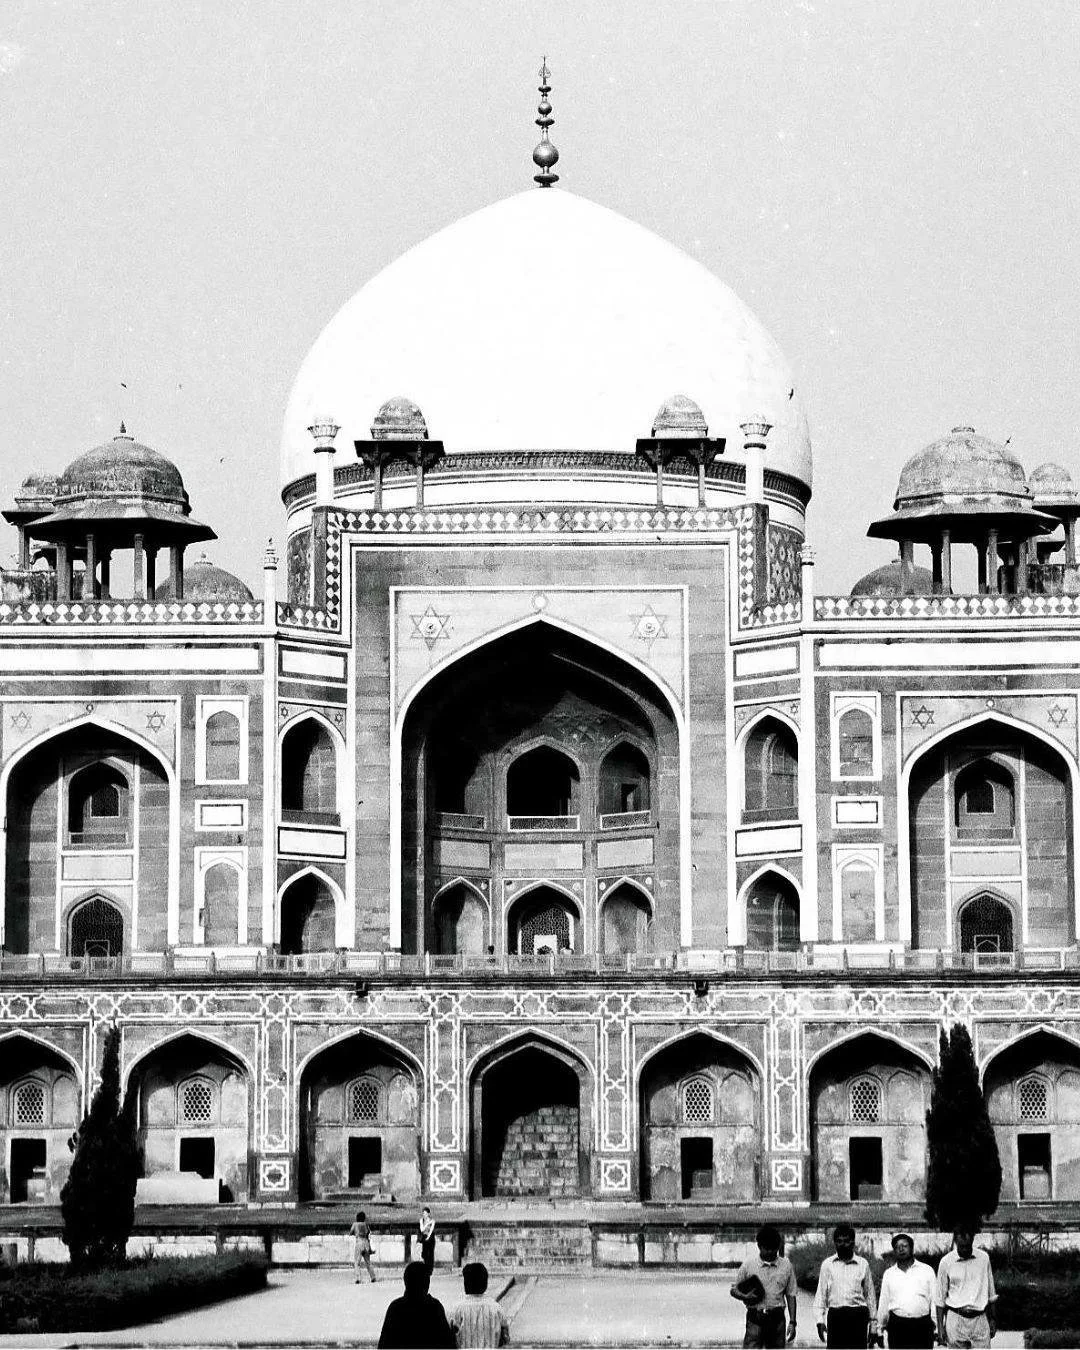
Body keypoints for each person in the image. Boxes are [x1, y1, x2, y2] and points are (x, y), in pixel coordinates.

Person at [729, 1224, 797, 1347]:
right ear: (759, 1246)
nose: (770, 1252)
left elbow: (791, 1295)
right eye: (767, 1248)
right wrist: (744, 1296)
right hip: (755, 1319)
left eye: (774, 1249)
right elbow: (734, 1290)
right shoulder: (748, 1264)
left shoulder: (786, 1265)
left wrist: (792, 1322)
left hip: (777, 1320)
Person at [813, 1223, 878, 1349]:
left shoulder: (863, 1264)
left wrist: (874, 1325)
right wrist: (819, 1320)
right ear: (834, 1242)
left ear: (853, 1242)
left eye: (846, 1241)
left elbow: (870, 1296)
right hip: (836, 1317)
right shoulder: (827, 1265)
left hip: (858, 1317)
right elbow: (821, 1294)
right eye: (839, 1241)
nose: (842, 1244)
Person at [935, 1225, 997, 1349]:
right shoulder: (946, 1262)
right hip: (956, 1318)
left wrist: (993, 1320)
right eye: (961, 1246)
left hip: (979, 1319)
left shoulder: (984, 1259)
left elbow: (991, 1294)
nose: (964, 1249)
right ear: (956, 1242)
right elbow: (940, 1298)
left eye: (967, 1246)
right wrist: (940, 1328)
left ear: (973, 1240)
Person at [377, 1261, 454, 1349]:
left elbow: (383, 1345)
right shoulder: (434, 1307)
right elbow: (448, 1344)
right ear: (426, 1283)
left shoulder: (395, 1308)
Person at [877, 1233, 936, 1348]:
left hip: (922, 1326)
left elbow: (934, 1300)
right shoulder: (889, 1274)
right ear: (894, 1251)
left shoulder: (927, 1270)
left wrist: (937, 1328)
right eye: (897, 1247)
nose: (901, 1249)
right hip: (897, 1326)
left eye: (905, 1246)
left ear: (912, 1248)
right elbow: (884, 1302)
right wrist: (880, 1327)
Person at [449, 1261, 510, 1348]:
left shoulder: (456, 1310)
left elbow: (449, 1340)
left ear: (465, 1284)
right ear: (485, 1284)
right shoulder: (497, 1309)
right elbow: (505, 1339)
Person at [349, 1209, 376, 1283]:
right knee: (368, 1262)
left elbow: (351, 1232)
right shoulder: (366, 1224)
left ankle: (358, 1278)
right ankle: (373, 1277)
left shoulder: (355, 1224)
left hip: (359, 1243)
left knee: (357, 1262)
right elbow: (369, 1233)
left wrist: (354, 1233)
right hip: (366, 1243)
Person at [418, 1206, 436, 1273]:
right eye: (423, 1213)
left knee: (430, 1254)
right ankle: (426, 1267)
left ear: (428, 1214)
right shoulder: (421, 1220)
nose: (424, 1215)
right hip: (424, 1237)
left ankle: (430, 1269)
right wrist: (427, 1224)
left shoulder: (433, 1221)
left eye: (425, 1213)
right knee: (425, 1254)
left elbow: (431, 1230)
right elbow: (422, 1229)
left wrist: (428, 1237)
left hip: (431, 1238)